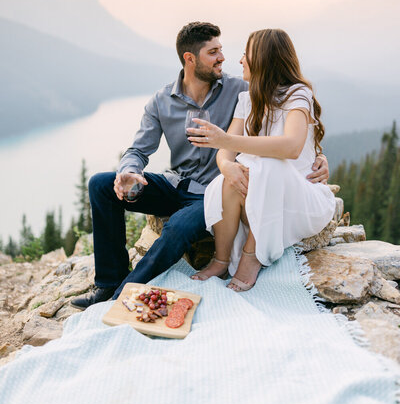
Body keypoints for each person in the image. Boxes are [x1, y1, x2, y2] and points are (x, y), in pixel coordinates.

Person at [71, 23, 329, 310]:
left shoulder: (240, 89)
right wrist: (130, 170)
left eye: (222, 50)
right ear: (189, 59)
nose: (223, 58)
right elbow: (139, 149)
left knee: (178, 227)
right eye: (213, 52)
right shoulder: (162, 101)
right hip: (175, 184)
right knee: (99, 184)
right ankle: (107, 284)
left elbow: (286, 124)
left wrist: (319, 157)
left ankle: (121, 297)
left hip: (211, 193)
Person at [189, 28, 336, 291]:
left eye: (246, 54)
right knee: (230, 176)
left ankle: (251, 256)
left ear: (264, 59)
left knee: (269, 164)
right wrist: (226, 165)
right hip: (259, 194)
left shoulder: (297, 95)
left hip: (299, 200)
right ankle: (221, 260)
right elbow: (226, 150)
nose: (241, 60)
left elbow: (291, 147)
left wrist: (226, 142)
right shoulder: (247, 99)